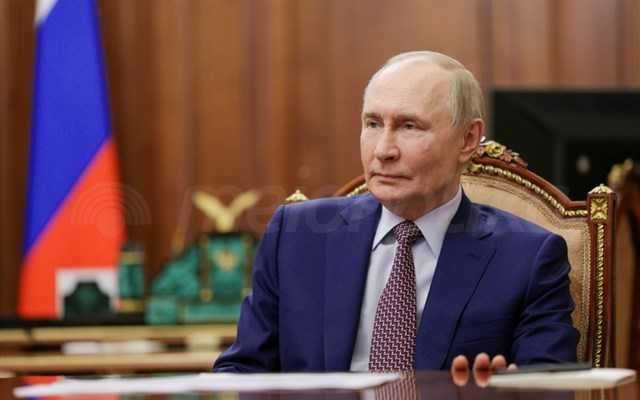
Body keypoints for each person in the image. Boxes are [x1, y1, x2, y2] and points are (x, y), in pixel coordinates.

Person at [213, 51, 578, 373]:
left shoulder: (528, 258)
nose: (383, 150)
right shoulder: (296, 237)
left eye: (409, 126)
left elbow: (549, 385)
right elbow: (242, 370)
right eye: (373, 124)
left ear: (468, 139)